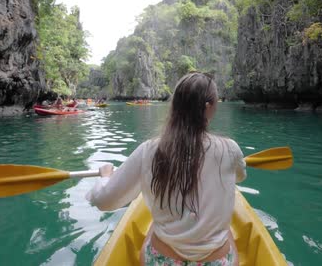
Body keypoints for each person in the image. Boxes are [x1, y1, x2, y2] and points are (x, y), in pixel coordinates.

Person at [86, 72, 246, 266]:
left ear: (175, 106)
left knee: (154, 228)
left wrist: (105, 177)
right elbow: (239, 177)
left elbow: (104, 201)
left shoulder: (149, 150)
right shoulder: (230, 149)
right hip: (216, 262)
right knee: (228, 234)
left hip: (164, 260)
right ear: (209, 107)